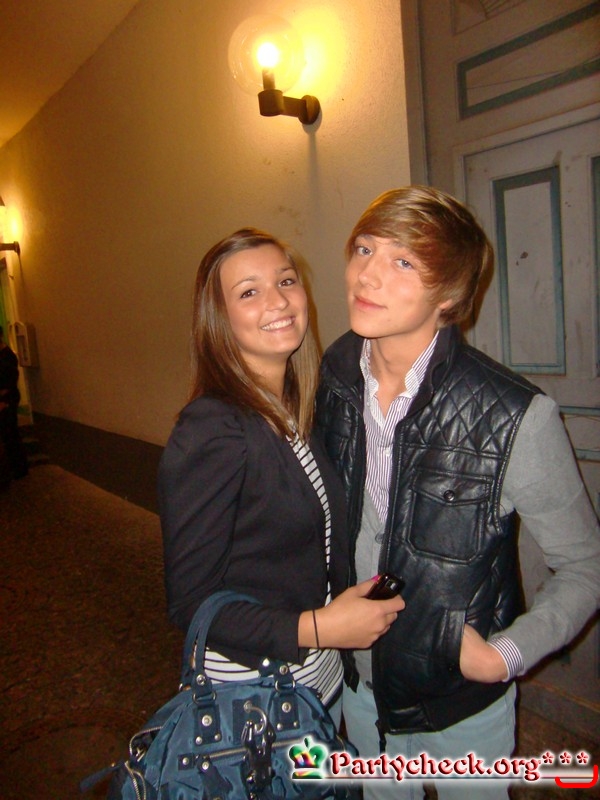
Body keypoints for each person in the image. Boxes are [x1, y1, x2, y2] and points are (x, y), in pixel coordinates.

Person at [315, 186, 600, 799]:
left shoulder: (514, 416)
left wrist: (504, 656)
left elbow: (587, 566)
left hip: (460, 704)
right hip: (361, 688)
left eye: (402, 261)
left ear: (448, 295)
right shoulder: (335, 375)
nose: (368, 274)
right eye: (364, 248)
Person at [158, 228, 404, 731]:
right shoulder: (213, 428)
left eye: (286, 281)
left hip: (318, 684)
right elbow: (191, 605)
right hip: (255, 701)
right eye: (248, 292)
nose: (277, 301)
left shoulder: (293, 413)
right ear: (219, 319)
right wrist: (320, 626)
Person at [0, 324, 28, 483]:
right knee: (8, 435)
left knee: (11, 434)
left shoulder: (8, 356)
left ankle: (19, 469)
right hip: (5, 399)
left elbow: (10, 381)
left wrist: (4, 399)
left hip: (8, 400)